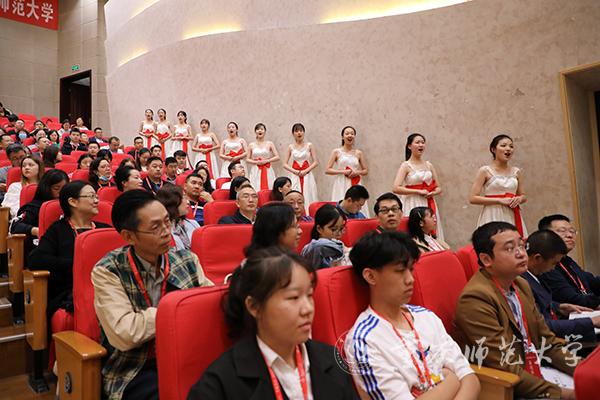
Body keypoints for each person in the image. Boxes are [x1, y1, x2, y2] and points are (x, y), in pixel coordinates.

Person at [188, 247, 357, 400]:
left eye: (309, 295)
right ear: (254, 307)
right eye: (293, 298)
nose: (307, 309)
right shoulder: (219, 384)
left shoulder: (329, 358)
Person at [92, 190, 213, 400]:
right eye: (155, 227)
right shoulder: (109, 270)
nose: (166, 232)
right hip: (137, 366)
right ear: (128, 236)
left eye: (167, 222)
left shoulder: (186, 260)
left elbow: (208, 303)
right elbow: (125, 332)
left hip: (187, 353)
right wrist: (177, 311)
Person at [345, 231, 480, 399]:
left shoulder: (426, 317)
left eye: (411, 269)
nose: (410, 279)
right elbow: (458, 378)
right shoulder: (364, 340)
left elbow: (470, 379)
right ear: (371, 276)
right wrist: (452, 380)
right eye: (400, 271)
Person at [454, 222, 578, 400]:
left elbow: (548, 342)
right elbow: (504, 366)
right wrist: (566, 394)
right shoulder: (475, 298)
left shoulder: (521, 284)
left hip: (536, 367)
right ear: (487, 259)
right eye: (510, 248)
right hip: (505, 386)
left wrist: (585, 372)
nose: (521, 253)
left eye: (521, 245)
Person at [29, 181, 111, 322]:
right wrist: (76, 265)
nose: (97, 201)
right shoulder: (58, 230)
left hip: (106, 286)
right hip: (70, 288)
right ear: (73, 202)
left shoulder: (105, 229)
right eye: (91, 196)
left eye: (96, 196)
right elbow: (36, 259)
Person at [522, 229, 599, 344]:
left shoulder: (535, 274)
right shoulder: (522, 281)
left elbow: (541, 303)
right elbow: (541, 325)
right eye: (554, 263)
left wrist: (558, 307)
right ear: (538, 258)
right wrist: (591, 322)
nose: (554, 268)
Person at [469, 134, 527, 236]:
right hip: (492, 213)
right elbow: (473, 198)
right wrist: (499, 200)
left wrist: (519, 199)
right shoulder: (485, 170)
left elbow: (523, 195)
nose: (508, 149)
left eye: (511, 146)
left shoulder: (516, 171)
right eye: (503, 145)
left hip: (512, 213)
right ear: (493, 149)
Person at [538, 214, 600, 309]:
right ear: (546, 235)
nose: (569, 235)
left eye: (572, 231)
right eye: (562, 231)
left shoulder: (567, 261)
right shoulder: (545, 263)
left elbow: (593, 282)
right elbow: (571, 299)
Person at [393, 133, 445, 240]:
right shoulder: (406, 165)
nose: (421, 145)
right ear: (409, 146)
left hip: (428, 201)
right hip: (412, 201)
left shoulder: (429, 165)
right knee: (414, 229)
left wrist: (433, 192)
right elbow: (396, 188)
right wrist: (418, 192)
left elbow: (439, 187)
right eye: (417, 142)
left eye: (422, 142)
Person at [10, 169, 69, 262]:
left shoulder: (71, 206)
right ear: (46, 188)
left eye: (64, 189)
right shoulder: (34, 207)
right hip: (42, 249)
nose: (61, 192)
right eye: (56, 188)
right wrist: (36, 230)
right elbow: (15, 225)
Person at [326, 126, 369, 216]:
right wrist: (343, 172)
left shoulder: (358, 153)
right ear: (342, 137)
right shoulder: (336, 152)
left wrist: (357, 172)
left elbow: (365, 170)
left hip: (355, 182)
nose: (350, 135)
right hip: (341, 182)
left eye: (352, 134)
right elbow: (328, 170)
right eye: (347, 133)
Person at [301, 203, 348, 269]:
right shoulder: (312, 248)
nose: (339, 234)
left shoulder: (338, 243)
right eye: (333, 229)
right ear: (319, 229)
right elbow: (318, 246)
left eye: (341, 229)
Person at [283, 123, 318, 209]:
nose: (299, 133)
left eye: (301, 131)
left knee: (309, 192)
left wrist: (306, 171)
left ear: (304, 132)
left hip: (307, 174)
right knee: (295, 192)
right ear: (293, 134)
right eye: (296, 131)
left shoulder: (309, 145)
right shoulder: (291, 147)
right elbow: (285, 164)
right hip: (295, 175)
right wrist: (295, 171)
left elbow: (315, 162)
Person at [156, 185, 199, 251]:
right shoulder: (163, 229)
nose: (188, 202)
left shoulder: (193, 224)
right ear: (172, 201)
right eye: (184, 198)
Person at [247, 123, 279, 191]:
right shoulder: (251, 145)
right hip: (256, 168)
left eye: (262, 129)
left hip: (267, 168)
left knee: (269, 184)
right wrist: (256, 162)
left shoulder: (270, 143)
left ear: (265, 131)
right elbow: (247, 159)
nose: (260, 131)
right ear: (255, 132)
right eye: (258, 129)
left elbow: (277, 157)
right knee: (255, 185)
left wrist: (266, 161)